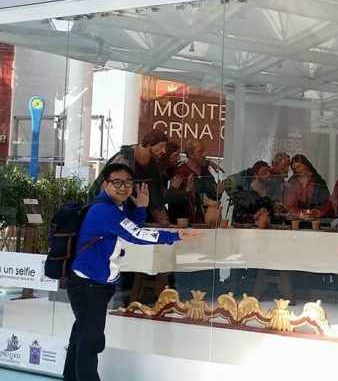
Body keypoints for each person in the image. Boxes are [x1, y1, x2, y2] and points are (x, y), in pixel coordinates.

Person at [64, 163, 200, 381]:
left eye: (128, 183)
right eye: (117, 182)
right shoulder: (104, 210)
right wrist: (176, 236)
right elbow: (135, 234)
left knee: (82, 336)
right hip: (89, 284)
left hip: (93, 282)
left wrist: (141, 208)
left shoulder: (116, 207)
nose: (123, 187)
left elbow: (128, 229)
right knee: (90, 343)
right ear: (105, 185)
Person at [170, 139, 225, 224]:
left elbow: (212, 198)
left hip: (205, 222)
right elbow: (174, 199)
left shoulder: (206, 173)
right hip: (184, 222)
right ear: (191, 154)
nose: (204, 154)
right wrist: (187, 192)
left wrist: (218, 193)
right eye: (200, 151)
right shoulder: (180, 172)